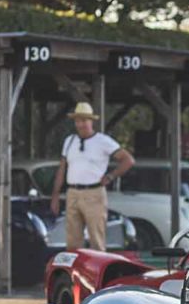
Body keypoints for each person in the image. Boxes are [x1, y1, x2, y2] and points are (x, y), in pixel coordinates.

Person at [49, 102, 134, 251]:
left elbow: (128, 160)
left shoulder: (102, 141)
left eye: (84, 120)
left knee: (96, 238)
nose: (80, 124)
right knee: (72, 241)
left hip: (93, 192)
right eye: (77, 121)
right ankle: (76, 272)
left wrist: (110, 177)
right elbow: (62, 168)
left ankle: (98, 272)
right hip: (73, 192)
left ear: (91, 121)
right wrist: (55, 195)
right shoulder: (69, 141)